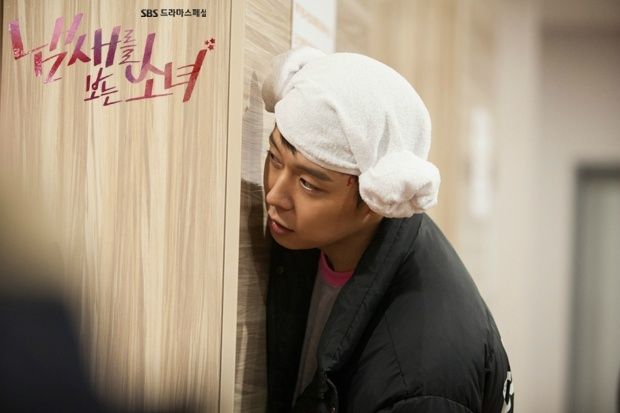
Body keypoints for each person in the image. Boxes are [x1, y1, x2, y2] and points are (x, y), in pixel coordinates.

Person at [261, 47, 514, 413]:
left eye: (308, 184)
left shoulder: (420, 380)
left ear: (377, 198)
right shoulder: (322, 240)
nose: (275, 194)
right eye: (274, 158)